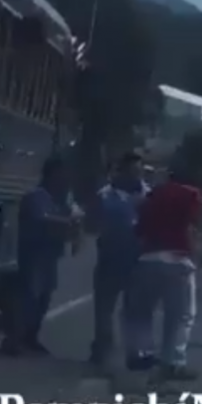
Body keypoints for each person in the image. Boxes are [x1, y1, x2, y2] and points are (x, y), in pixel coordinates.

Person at [126, 165, 202, 380]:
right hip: (178, 259)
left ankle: (141, 354)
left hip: (149, 258)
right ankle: (173, 362)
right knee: (180, 315)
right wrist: (196, 254)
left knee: (143, 312)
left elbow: (139, 229)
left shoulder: (153, 194)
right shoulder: (192, 194)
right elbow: (191, 226)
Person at [0, 154, 74, 356]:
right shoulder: (36, 195)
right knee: (28, 298)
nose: (65, 177)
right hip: (34, 254)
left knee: (43, 298)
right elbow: (40, 218)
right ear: (52, 174)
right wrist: (66, 222)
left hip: (50, 255)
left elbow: (72, 216)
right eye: (62, 173)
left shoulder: (58, 198)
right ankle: (13, 341)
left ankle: (30, 338)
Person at [88, 152, 149, 369]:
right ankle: (102, 349)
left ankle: (134, 353)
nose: (136, 176)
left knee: (134, 311)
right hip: (110, 259)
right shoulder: (106, 195)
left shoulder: (149, 196)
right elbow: (96, 220)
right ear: (122, 172)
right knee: (104, 309)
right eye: (132, 171)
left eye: (139, 171)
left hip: (137, 263)